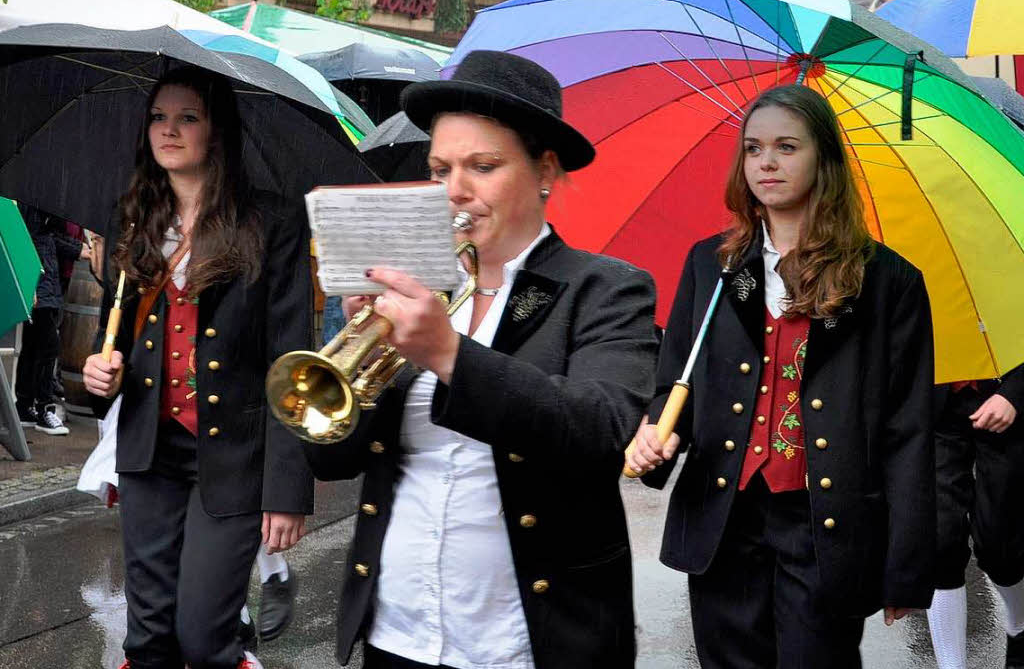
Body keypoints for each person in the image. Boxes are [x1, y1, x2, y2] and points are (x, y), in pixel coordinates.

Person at [302, 50, 659, 669]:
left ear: (544, 169)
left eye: (483, 166)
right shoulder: (416, 292)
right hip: (400, 628)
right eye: (440, 169)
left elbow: (602, 431)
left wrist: (449, 354)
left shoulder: (604, 288)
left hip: (526, 639)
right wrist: (356, 360)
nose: (454, 191)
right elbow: (331, 459)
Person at [628, 84, 937, 668]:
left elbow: (908, 431)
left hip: (827, 526)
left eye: (786, 147)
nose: (766, 163)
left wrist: (905, 567)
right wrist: (655, 436)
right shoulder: (711, 264)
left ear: (823, 158)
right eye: (753, 149)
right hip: (724, 520)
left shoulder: (889, 282)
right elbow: (676, 384)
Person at [81, 66, 314, 669]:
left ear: (218, 131)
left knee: (205, 635)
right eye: (159, 117)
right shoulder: (133, 217)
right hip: (148, 452)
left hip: (235, 454)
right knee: (148, 635)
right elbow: (120, 337)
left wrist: (286, 491)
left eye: (188, 117)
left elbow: (292, 359)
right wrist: (101, 374)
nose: (169, 130)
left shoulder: (272, 222)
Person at [926, 362, 1024, 669]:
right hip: (935, 408)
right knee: (938, 540)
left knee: (1000, 547)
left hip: (1005, 402)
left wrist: (1015, 394)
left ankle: (1019, 626)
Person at [15, 203, 90, 435]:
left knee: (33, 345)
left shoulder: (38, 199)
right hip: (38, 278)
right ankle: (43, 408)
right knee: (48, 346)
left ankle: (24, 407)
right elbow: (25, 237)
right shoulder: (30, 199)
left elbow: (49, 237)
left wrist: (78, 248)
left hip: (45, 274)